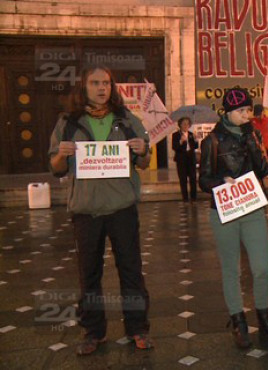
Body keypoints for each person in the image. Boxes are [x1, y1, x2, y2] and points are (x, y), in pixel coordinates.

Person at [48, 65, 153, 355]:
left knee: (131, 270)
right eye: (95, 83)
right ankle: (93, 332)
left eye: (106, 83)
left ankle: (138, 328)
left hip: (122, 208)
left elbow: (143, 160)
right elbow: (55, 168)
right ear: (84, 87)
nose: (101, 88)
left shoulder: (126, 119)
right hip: (86, 211)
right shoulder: (68, 122)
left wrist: (143, 149)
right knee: (89, 274)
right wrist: (61, 155)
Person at [199, 88, 268, 349]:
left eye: (248, 110)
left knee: (261, 268)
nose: (246, 115)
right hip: (224, 210)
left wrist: (253, 143)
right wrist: (220, 181)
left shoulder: (253, 134)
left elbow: (263, 170)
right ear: (227, 112)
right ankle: (238, 321)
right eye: (241, 111)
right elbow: (203, 179)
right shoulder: (212, 141)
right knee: (231, 268)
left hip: (252, 207)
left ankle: (265, 318)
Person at [172, 117, 198, 202]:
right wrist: (180, 142)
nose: (186, 125)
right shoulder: (176, 135)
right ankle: (185, 198)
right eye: (184, 124)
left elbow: (195, 147)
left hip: (191, 159)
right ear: (180, 125)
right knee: (183, 179)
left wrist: (196, 140)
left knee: (193, 179)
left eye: (187, 124)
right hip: (181, 160)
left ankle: (194, 198)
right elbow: (174, 147)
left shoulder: (191, 134)